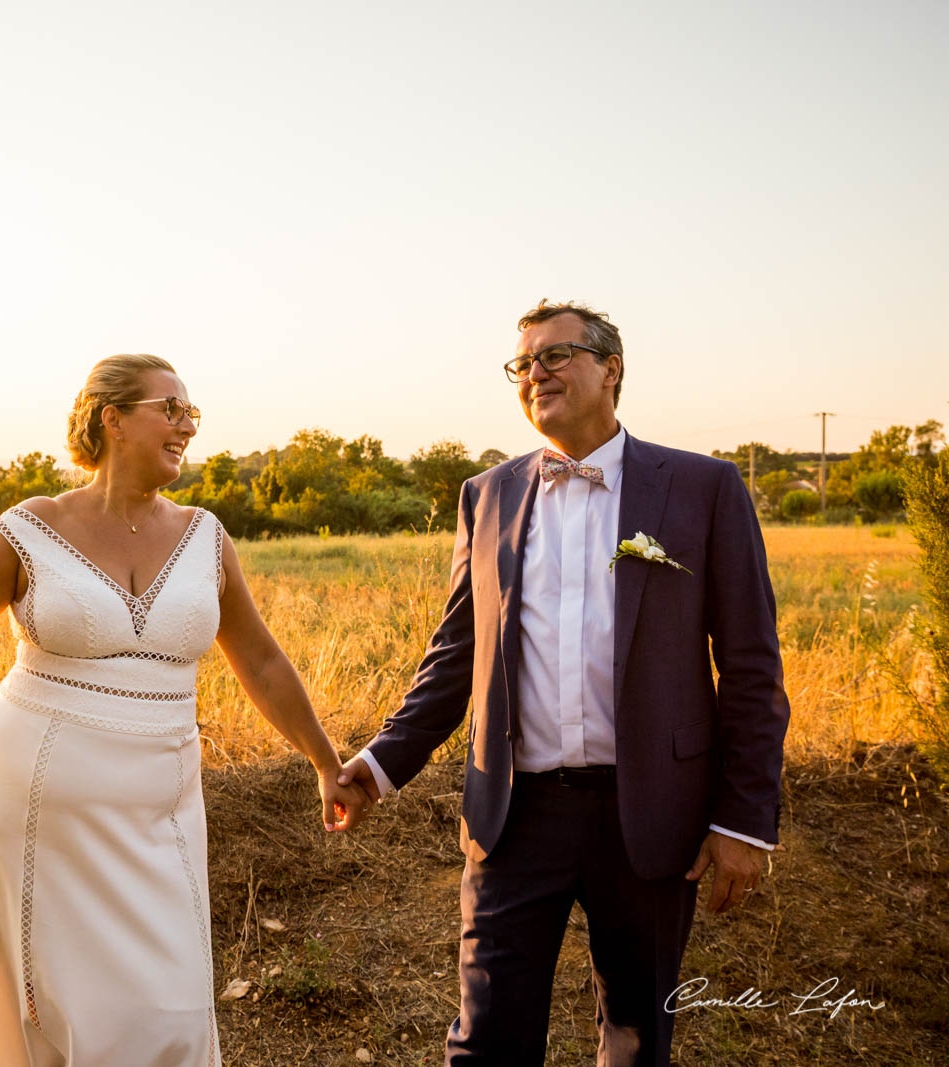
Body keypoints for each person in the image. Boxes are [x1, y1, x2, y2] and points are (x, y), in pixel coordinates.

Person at [0, 354, 368, 1067]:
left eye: (191, 413)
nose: (186, 426)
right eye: (170, 409)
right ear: (111, 418)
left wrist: (326, 760)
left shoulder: (207, 536)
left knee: (167, 1005)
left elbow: (261, 660)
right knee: (66, 1014)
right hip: (35, 799)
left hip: (159, 806)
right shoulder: (29, 527)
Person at [338, 301, 790, 1066]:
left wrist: (744, 818)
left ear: (612, 368)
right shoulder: (487, 495)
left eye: (556, 356)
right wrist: (378, 766)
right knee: (486, 1042)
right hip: (514, 815)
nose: (536, 373)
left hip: (651, 815)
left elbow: (750, 664)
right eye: (523, 363)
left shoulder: (703, 487)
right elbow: (456, 656)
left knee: (636, 1039)